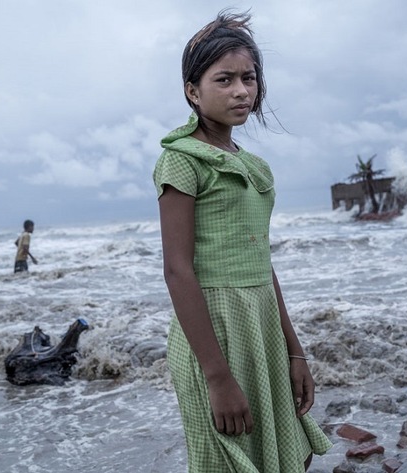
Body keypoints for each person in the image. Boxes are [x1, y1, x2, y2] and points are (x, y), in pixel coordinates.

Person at [153, 10, 331, 472]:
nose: (241, 91)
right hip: (214, 332)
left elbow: (261, 263)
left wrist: (295, 351)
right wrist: (217, 378)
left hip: (262, 327)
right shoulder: (182, 162)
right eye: (224, 79)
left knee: (288, 451)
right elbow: (177, 270)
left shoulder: (255, 168)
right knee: (226, 459)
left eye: (248, 78)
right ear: (193, 91)